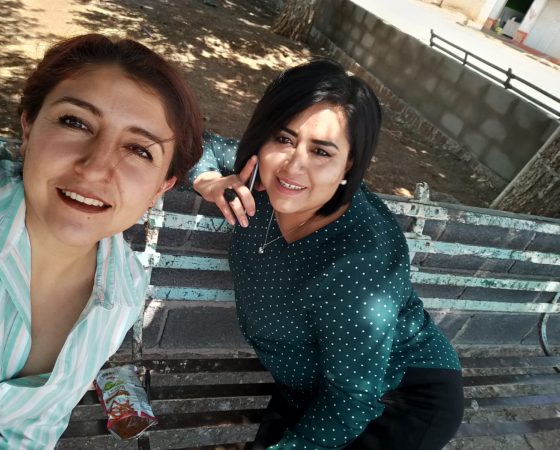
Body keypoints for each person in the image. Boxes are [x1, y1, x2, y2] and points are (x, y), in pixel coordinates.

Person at [190, 59, 463, 449]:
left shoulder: (359, 262)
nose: (293, 166)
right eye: (283, 139)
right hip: (310, 382)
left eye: (320, 151)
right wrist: (208, 180)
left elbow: (352, 399)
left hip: (395, 398)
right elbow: (201, 145)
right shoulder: (258, 177)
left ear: (349, 164)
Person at [0, 34, 202, 448]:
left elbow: (31, 431)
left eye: (139, 149)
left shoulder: (124, 290)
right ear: (29, 125)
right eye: (75, 122)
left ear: (161, 187)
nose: (95, 169)